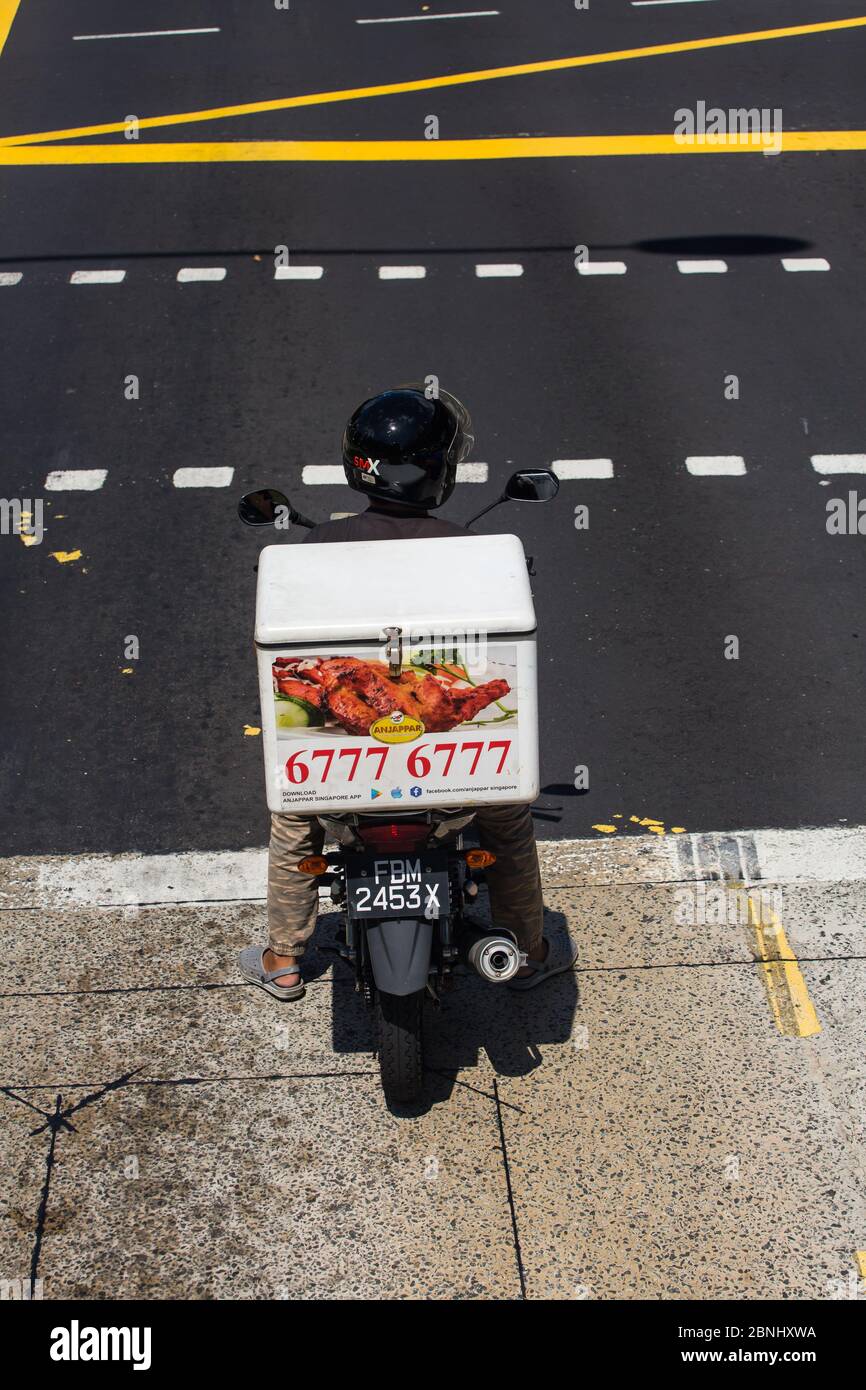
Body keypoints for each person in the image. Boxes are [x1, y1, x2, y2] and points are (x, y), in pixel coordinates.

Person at [238, 388, 577, 1000]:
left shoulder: (316, 550)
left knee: (295, 820)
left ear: (356, 467)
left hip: (343, 775)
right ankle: (526, 952)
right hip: (455, 770)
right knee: (505, 818)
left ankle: (284, 958)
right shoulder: (477, 552)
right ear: (440, 472)